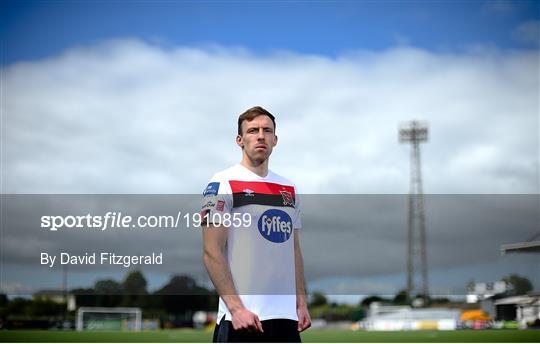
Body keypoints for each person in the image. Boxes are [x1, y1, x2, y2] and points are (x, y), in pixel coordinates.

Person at [201, 106, 311, 342]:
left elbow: (293, 250)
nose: (260, 136)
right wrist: (236, 308)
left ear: (275, 139)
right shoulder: (222, 182)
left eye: (266, 130)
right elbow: (212, 251)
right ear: (240, 140)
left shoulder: (289, 188)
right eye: (252, 130)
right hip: (242, 320)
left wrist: (301, 300)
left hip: (286, 320)